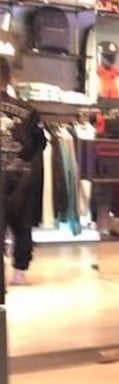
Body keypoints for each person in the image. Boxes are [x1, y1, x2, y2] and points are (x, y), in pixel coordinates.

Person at [0, 57, 46, 286]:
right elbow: (40, 147)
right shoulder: (28, 111)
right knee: (22, 226)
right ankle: (19, 271)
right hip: (21, 176)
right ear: (9, 78)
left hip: (14, 177)